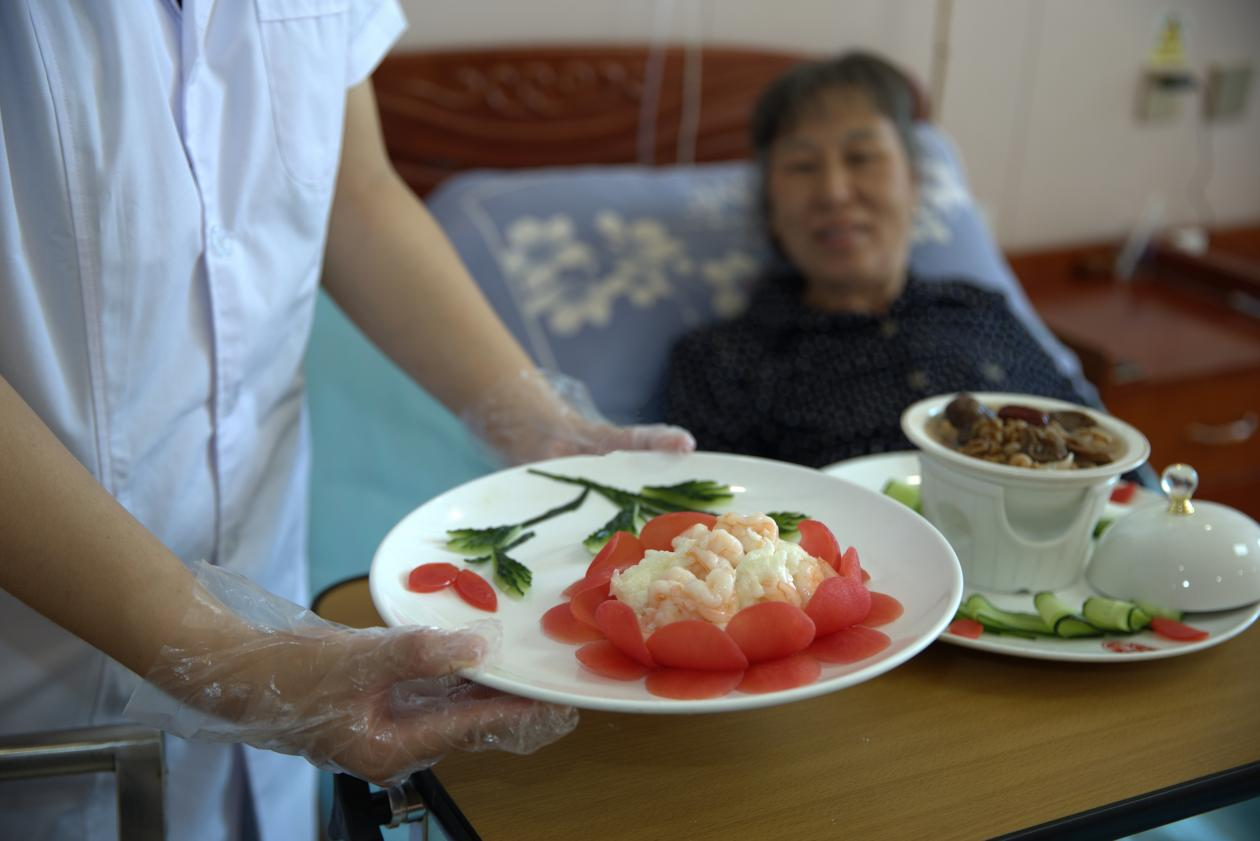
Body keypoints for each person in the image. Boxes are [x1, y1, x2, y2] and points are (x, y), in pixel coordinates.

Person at [0, 4, 693, 840]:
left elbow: (351, 190)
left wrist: (544, 429)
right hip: (34, 685)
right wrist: (238, 665)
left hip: (265, 582)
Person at [664, 51, 1091, 468]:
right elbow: (716, 519)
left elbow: (1098, 454)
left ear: (914, 182)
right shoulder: (723, 361)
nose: (834, 191)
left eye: (861, 157)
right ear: (771, 208)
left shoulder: (981, 312)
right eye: (801, 165)